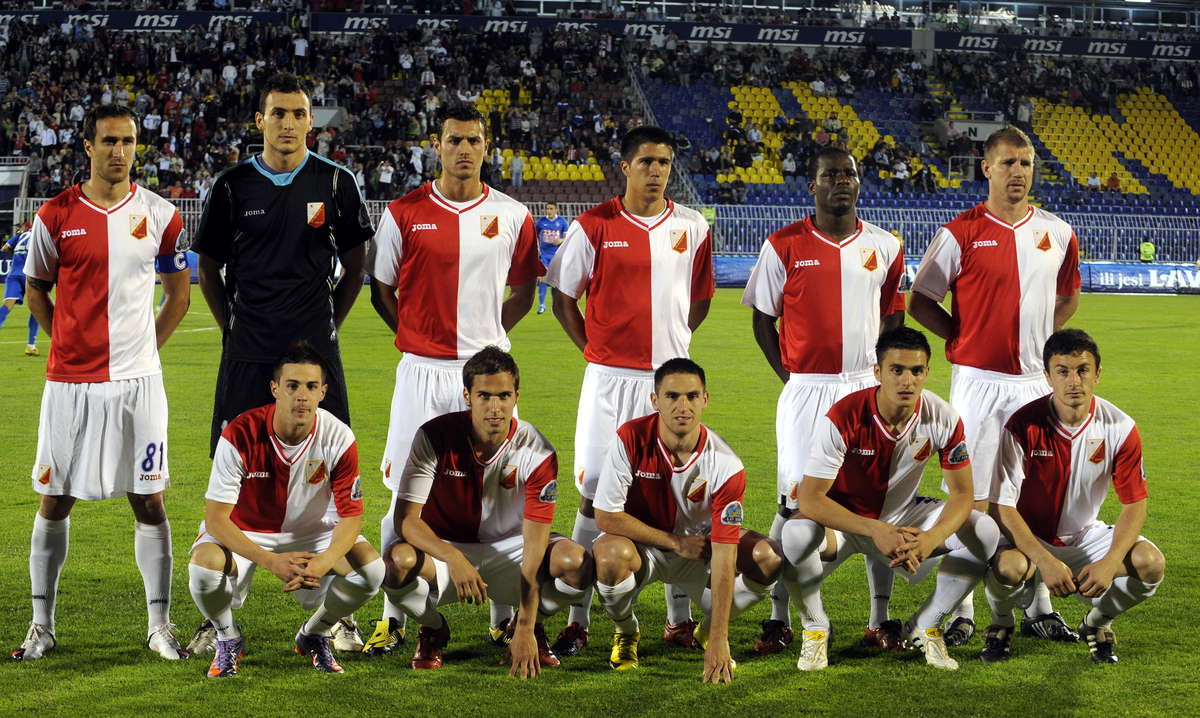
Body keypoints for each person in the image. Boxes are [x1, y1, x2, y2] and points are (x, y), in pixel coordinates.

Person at [191, 73, 375, 653]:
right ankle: (220, 599)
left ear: (310, 121)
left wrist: (327, 331)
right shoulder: (230, 186)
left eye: (298, 114)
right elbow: (209, 271)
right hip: (247, 355)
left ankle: (331, 604)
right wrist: (233, 332)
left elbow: (355, 267)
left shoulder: (337, 183)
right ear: (260, 120)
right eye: (278, 113)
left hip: (314, 352)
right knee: (233, 469)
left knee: (329, 465)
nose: (289, 124)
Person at [12, 104, 191, 661]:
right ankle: (42, 624)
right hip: (70, 383)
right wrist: (65, 340)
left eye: (129, 141)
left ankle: (159, 625)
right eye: (109, 141)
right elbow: (36, 288)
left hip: (139, 384)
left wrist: (139, 352)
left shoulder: (162, 215)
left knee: (150, 500)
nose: (120, 151)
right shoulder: (55, 216)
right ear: (86, 146)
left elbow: (178, 296)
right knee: (55, 498)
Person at [365, 102, 542, 657]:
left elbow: (522, 290)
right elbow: (381, 289)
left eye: (473, 140)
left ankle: (503, 610)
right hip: (422, 372)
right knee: (405, 490)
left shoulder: (513, 215)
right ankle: (397, 616)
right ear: (436, 146)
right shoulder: (402, 212)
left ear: (486, 146)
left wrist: (488, 343)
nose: (464, 149)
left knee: (493, 486)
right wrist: (418, 335)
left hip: (486, 376)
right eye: (453, 140)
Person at [545, 125, 714, 657]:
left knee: (675, 496)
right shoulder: (593, 225)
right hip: (609, 379)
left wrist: (674, 350)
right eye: (646, 161)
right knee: (596, 492)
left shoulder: (692, 225)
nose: (657, 170)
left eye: (664, 162)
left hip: (668, 383)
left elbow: (700, 299)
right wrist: (594, 352)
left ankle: (677, 620)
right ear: (626, 167)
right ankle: (580, 620)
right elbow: (563, 296)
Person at [909, 125, 1081, 647]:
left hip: (1034, 383)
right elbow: (921, 299)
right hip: (978, 385)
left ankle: (1039, 608)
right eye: (1008, 163)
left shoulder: (1058, 232)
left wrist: (1040, 342)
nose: (1018, 173)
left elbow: (1068, 297)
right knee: (973, 503)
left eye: (1026, 163)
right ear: (986, 168)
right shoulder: (960, 231)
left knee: (1031, 498)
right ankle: (958, 611)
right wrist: (963, 336)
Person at [741, 145, 906, 655]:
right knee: (795, 502)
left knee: (873, 502)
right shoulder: (783, 244)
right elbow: (762, 319)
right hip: (807, 389)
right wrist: (789, 376)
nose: (841, 181)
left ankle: (881, 620)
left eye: (850, 173)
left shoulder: (885, 245)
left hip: (863, 387)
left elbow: (893, 317)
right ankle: (780, 618)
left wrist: (880, 377)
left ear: (860, 182)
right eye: (830, 174)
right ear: (811, 185)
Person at [780, 327, 999, 671]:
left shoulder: (944, 417)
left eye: (916, 371)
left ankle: (927, 624)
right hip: (848, 523)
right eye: (897, 370)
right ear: (878, 372)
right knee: (793, 535)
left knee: (984, 529)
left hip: (906, 519)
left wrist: (932, 537)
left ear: (927, 372)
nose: (907, 381)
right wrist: (875, 529)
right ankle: (816, 627)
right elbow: (810, 499)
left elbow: (963, 494)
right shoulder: (843, 416)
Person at [380, 347, 593, 676]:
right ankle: (433, 627)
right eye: (484, 396)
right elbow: (406, 520)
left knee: (577, 563)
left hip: (513, 546)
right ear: (467, 395)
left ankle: (532, 626)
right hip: (446, 547)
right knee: (394, 564)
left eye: (504, 395)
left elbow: (535, 545)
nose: (495, 407)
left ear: (516, 395)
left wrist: (524, 623)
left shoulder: (537, 450)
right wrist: (452, 556)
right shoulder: (435, 436)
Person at [187, 342, 384, 677]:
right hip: (246, 528)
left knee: (372, 572)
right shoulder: (239, 433)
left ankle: (315, 633)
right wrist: (270, 560)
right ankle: (227, 637)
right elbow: (216, 519)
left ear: (323, 391)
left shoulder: (338, 436)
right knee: (204, 567)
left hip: (312, 532)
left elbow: (351, 516)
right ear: (275, 389)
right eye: (292, 386)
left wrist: (322, 563)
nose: (302, 396)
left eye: (310, 387)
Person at [592, 358, 782, 681]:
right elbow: (606, 515)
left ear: (705, 399)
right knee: (609, 557)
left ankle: (706, 631)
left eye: (692, 396)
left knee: (768, 559)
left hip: (700, 552)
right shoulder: (630, 438)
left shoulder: (726, 465)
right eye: (672, 396)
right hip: (645, 549)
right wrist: (675, 542)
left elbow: (725, 553)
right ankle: (626, 632)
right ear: (655, 401)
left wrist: (720, 637)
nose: (683, 406)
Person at [982, 329, 1164, 664]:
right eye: (1062, 371)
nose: (1073, 381)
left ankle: (1097, 623)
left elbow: (1135, 504)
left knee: (1151, 564)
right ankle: (1001, 625)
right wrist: (1046, 562)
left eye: (1082, 370)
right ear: (1047, 376)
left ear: (1097, 375)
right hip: (1027, 539)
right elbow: (1002, 507)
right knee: (1008, 568)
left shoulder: (1120, 427)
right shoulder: (1022, 425)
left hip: (1084, 536)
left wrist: (1109, 563)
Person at [0, 221, 40, 355]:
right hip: (31, 273)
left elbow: (5, 248)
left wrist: (18, 256)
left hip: (14, 273)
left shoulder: (22, 234)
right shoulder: (42, 234)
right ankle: (31, 345)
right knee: (37, 307)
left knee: (6, 305)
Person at [535, 201, 569, 314]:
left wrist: (560, 240)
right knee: (543, 279)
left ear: (556, 210)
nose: (548, 211)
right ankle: (542, 305)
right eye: (547, 209)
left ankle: (554, 306)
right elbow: (534, 236)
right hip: (544, 255)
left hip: (557, 255)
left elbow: (567, 238)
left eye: (551, 209)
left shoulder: (562, 222)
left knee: (555, 281)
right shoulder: (540, 222)